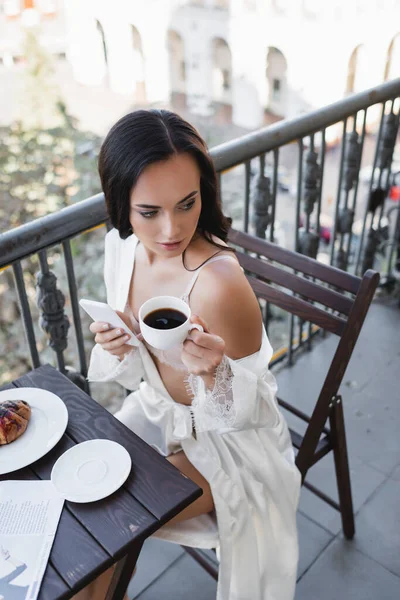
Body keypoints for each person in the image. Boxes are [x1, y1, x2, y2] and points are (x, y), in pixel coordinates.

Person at [85, 109, 301, 600]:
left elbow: (248, 415)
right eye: (149, 211)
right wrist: (120, 345)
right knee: (84, 512)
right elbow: (145, 373)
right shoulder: (123, 249)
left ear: (204, 190)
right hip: (160, 414)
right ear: (122, 204)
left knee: (107, 530)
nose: (170, 229)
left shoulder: (220, 285)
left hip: (230, 450)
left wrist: (215, 375)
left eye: (187, 203)